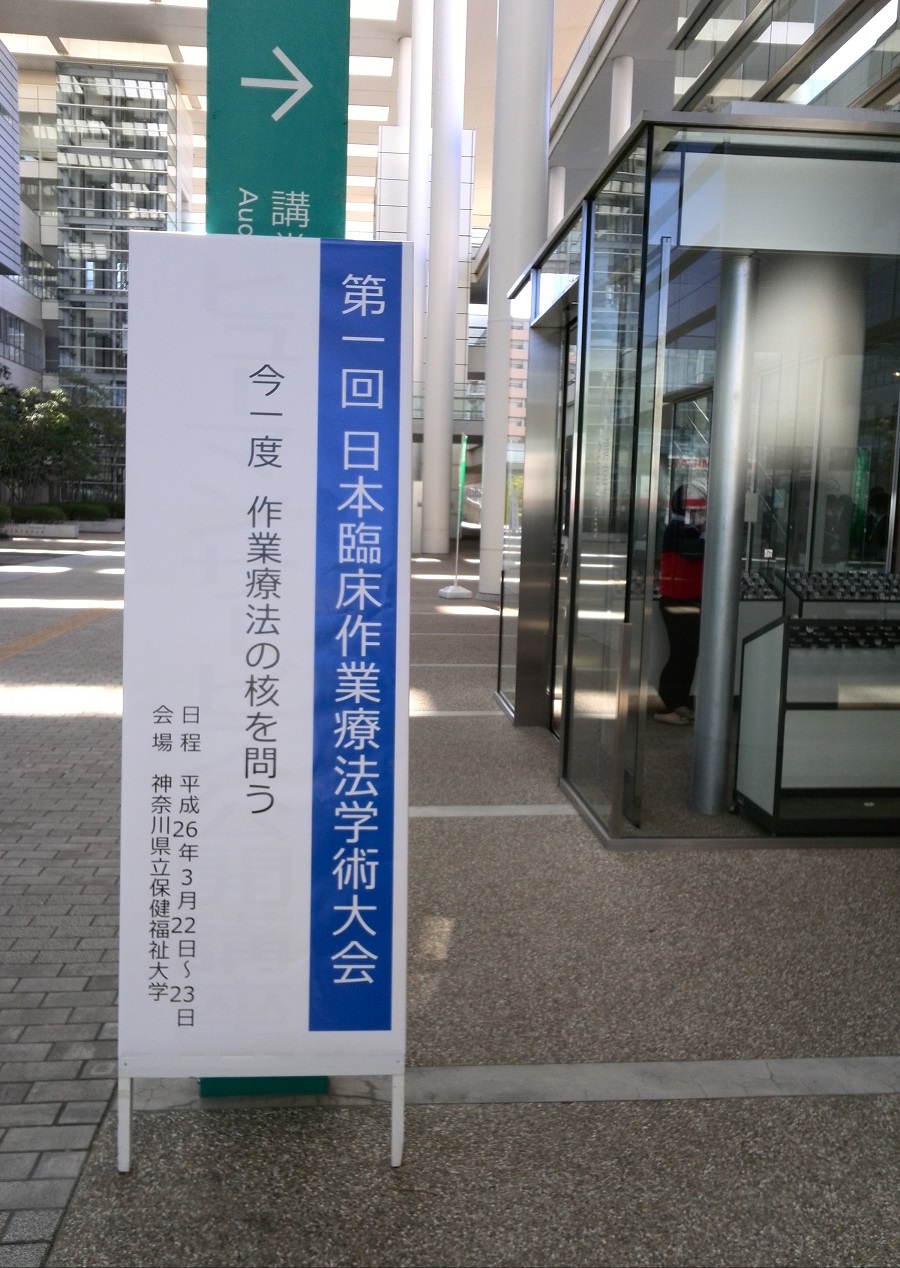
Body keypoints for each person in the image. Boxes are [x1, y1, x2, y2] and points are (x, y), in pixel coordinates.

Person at [656, 483, 705, 725]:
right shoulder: (677, 528)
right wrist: (706, 533)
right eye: (696, 508)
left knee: (689, 653)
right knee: (680, 653)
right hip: (676, 600)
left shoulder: (687, 529)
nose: (700, 513)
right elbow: (692, 552)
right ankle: (671, 703)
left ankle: (680, 702)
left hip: (688, 598)